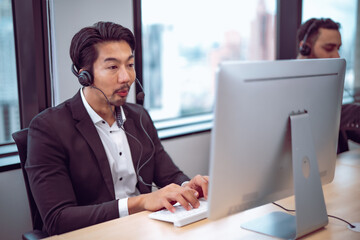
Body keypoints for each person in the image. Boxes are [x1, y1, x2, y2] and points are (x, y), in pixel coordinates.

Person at [26, 21, 209, 236]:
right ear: (84, 75)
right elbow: (58, 219)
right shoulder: (48, 128)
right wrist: (140, 202)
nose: (126, 78)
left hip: (143, 230)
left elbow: (168, 174)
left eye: (129, 65)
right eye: (113, 67)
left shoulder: (139, 116)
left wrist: (189, 186)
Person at [297, 18, 360, 153]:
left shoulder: (329, 91)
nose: (337, 56)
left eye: (338, 49)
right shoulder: (287, 90)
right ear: (305, 48)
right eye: (329, 48)